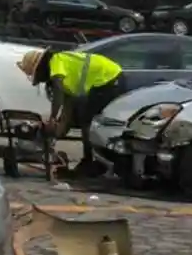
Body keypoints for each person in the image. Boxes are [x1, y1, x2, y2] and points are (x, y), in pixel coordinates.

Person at [19, 47, 125, 178]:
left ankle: (90, 162)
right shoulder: (67, 74)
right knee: (84, 119)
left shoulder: (56, 63)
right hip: (106, 78)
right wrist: (57, 131)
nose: (42, 81)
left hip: (109, 78)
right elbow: (67, 110)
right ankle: (94, 161)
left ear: (40, 67)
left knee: (87, 121)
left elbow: (58, 93)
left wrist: (52, 118)